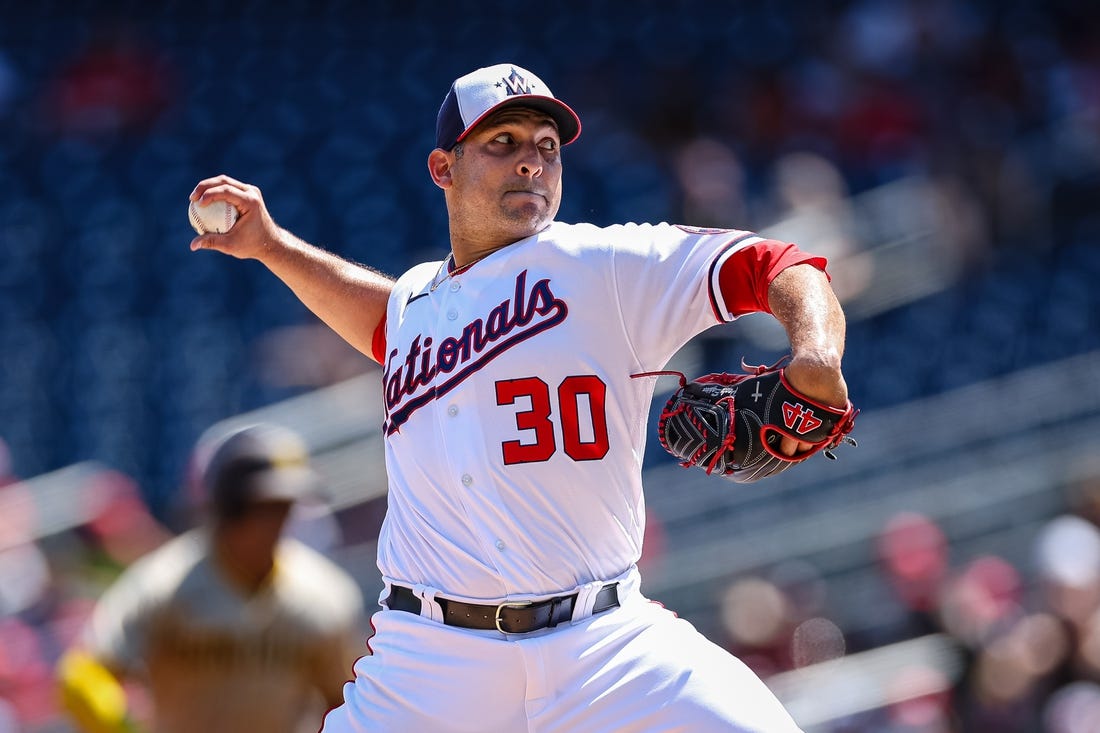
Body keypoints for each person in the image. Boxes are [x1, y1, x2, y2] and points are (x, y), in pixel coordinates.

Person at [189, 63, 851, 732]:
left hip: (605, 647)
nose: (531, 162)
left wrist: (816, 355)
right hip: (429, 665)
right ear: (443, 168)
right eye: (502, 143)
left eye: (546, 145)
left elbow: (778, 266)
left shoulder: (606, 265)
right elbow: (382, 322)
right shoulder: (418, 301)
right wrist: (272, 247)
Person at [57, 423, 366, 733]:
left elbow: (346, 702)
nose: (278, 520)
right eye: (265, 507)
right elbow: (84, 674)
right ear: (228, 505)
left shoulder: (324, 596)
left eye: (284, 506)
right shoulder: (165, 584)